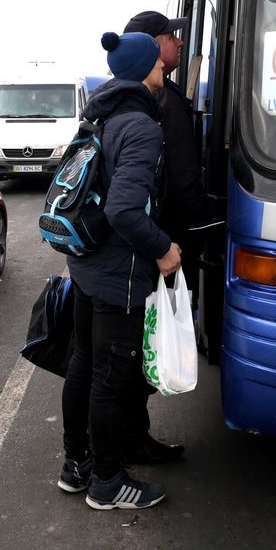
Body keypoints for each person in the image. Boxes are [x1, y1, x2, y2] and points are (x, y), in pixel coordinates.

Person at [59, 30, 183, 511]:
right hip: (119, 274)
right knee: (110, 381)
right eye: (158, 60)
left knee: (83, 368)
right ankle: (107, 483)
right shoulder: (142, 126)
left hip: (87, 264)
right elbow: (125, 211)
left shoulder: (99, 114)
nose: (163, 67)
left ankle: (77, 466)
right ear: (145, 68)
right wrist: (163, 249)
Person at [122, 9, 220, 464]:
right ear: (148, 47)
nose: (180, 44)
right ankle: (128, 441)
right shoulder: (163, 104)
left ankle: (127, 436)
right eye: (170, 37)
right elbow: (182, 177)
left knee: (127, 346)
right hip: (162, 242)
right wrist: (202, 229)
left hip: (141, 242)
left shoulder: (131, 100)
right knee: (146, 340)